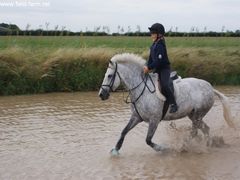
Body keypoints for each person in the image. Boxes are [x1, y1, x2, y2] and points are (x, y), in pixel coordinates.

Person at [143, 23, 178, 113]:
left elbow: (158, 62)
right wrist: (146, 66)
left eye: (153, 33)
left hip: (164, 69)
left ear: (159, 34)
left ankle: (173, 104)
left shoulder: (160, 45)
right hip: (157, 69)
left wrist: (149, 68)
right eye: (151, 33)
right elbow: (150, 59)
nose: (151, 35)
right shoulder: (153, 45)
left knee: (165, 84)